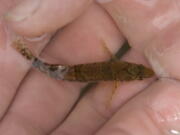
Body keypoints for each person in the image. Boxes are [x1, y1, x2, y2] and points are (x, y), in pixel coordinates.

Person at [0, 0, 179, 134]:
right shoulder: (117, 78)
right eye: (139, 72)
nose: (140, 73)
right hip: (72, 73)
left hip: (72, 72)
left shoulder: (117, 68)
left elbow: (110, 55)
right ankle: (26, 54)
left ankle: (26, 54)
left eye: (138, 74)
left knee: (53, 71)